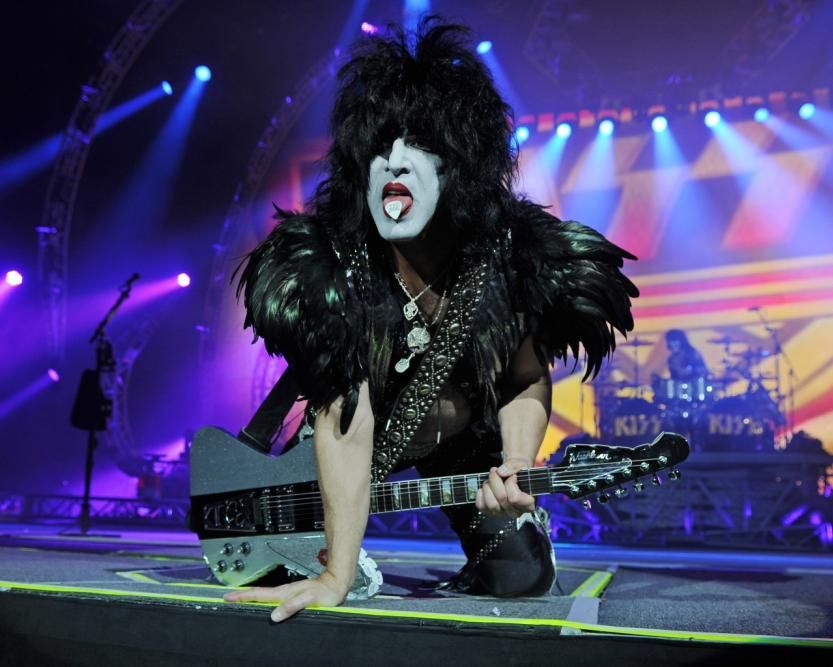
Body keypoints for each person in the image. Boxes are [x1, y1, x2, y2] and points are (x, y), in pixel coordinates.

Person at [223, 18, 638, 622]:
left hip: (463, 444)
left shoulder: (508, 257)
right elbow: (345, 420)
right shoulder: (334, 268)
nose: (394, 162)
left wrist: (517, 463)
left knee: (521, 576)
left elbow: (525, 376)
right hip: (355, 444)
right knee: (294, 569)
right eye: (379, 147)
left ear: (459, 167)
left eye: (420, 145)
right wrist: (338, 575)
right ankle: (334, 551)